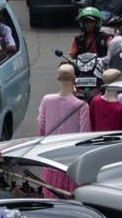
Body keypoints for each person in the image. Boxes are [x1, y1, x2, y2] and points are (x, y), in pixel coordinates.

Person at [37, 64, 91, 197]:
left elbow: (41, 128)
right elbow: (84, 134)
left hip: (50, 155)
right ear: (74, 79)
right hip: (71, 160)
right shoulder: (82, 106)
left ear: (58, 79)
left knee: (50, 196)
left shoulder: (46, 100)